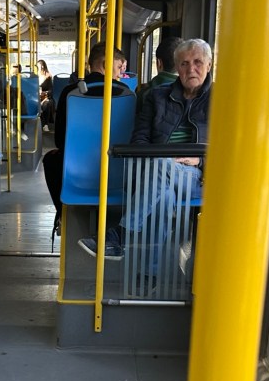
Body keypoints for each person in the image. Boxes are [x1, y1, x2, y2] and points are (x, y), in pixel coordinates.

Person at [78, 38, 212, 263]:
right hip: (158, 172)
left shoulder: (221, 100)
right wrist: (156, 161)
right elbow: (139, 138)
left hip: (197, 177)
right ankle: (150, 274)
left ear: (209, 64)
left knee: (161, 166)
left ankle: (120, 235)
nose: (191, 69)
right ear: (177, 68)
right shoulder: (157, 97)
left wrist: (200, 160)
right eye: (184, 63)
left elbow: (229, 150)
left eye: (198, 62)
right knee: (164, 195)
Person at [42, 42, 127, 227]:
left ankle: (63, 214)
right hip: (118, 170)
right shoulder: (125, 93)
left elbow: (60, 140)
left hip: (77, 171)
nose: (120, 73)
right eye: (119, 67)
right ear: (106, 64)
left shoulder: (70, 92)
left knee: (50, 159)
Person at [38, 59, 55, 129]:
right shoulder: (34, 77)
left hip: (45, 97)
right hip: (36, 96)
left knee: (46, 104)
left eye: (38, 66)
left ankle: (45, 124)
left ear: (42, 67)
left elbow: (51, 90)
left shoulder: (48, 77)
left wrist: (45, 92)